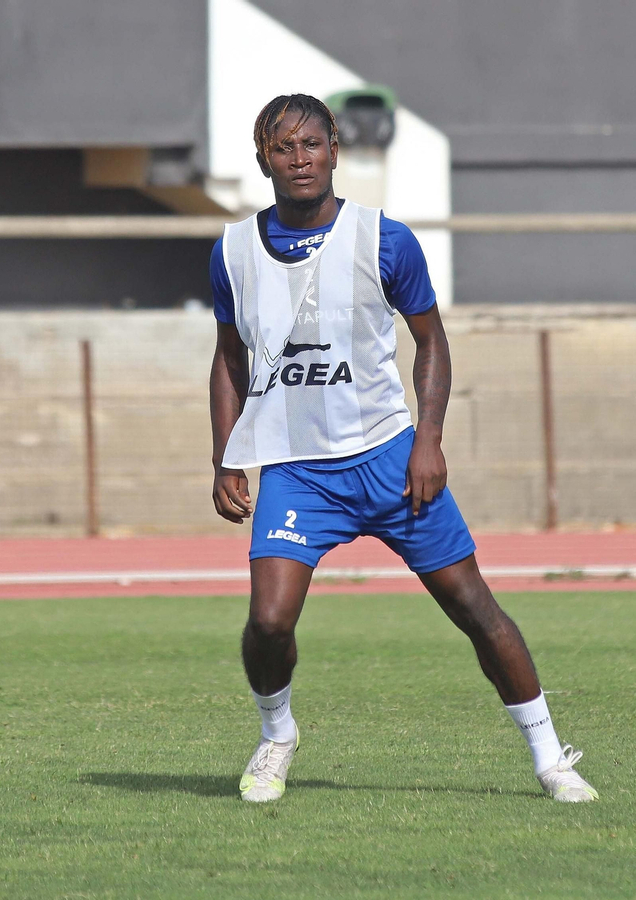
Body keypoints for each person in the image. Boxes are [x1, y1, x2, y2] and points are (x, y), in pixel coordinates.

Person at [208, 94, 595, 804]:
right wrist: (226, 454)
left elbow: (432, 342)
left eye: (312, 145)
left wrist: (430, 440)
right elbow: (229, 357)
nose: (300, 159)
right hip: (296, 470)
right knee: (268, 621)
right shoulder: (232, 250)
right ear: (262, 156)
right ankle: (277, 734)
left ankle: (550, 757)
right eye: (283, 147)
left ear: (334, 152)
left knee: (476, 610)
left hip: (390, 458)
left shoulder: (385, 240)